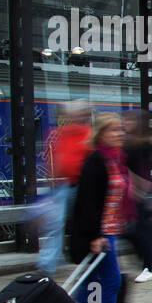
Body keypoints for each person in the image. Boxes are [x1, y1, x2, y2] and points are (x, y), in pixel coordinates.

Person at [65, 112, 136, 303]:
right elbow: (88, 202)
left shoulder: (115, 159)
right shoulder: (96, 161)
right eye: (114, 130)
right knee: (112, 280)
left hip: (111, 229)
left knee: (90, 282)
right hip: (101, 232)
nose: (120, 134)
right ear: (102, 134)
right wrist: (95, 236)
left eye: (121, 130)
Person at [37, 101, 91, 276]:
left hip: (77, 186)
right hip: (64, 186)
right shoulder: (64, 134)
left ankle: (54, 260)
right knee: (56, 223)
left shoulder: (85, 134)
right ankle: (48, 263)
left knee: (59, 223)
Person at [122, 111, 152, 283]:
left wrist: (138, 186)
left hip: (138, 192)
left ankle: (148, 265)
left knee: (140, 229)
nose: (124, 123)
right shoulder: (130, 143)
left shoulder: (139, 144)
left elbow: (140, 168)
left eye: (129, 120)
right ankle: (149, 257)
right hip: (130, 191)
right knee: (134, 229)